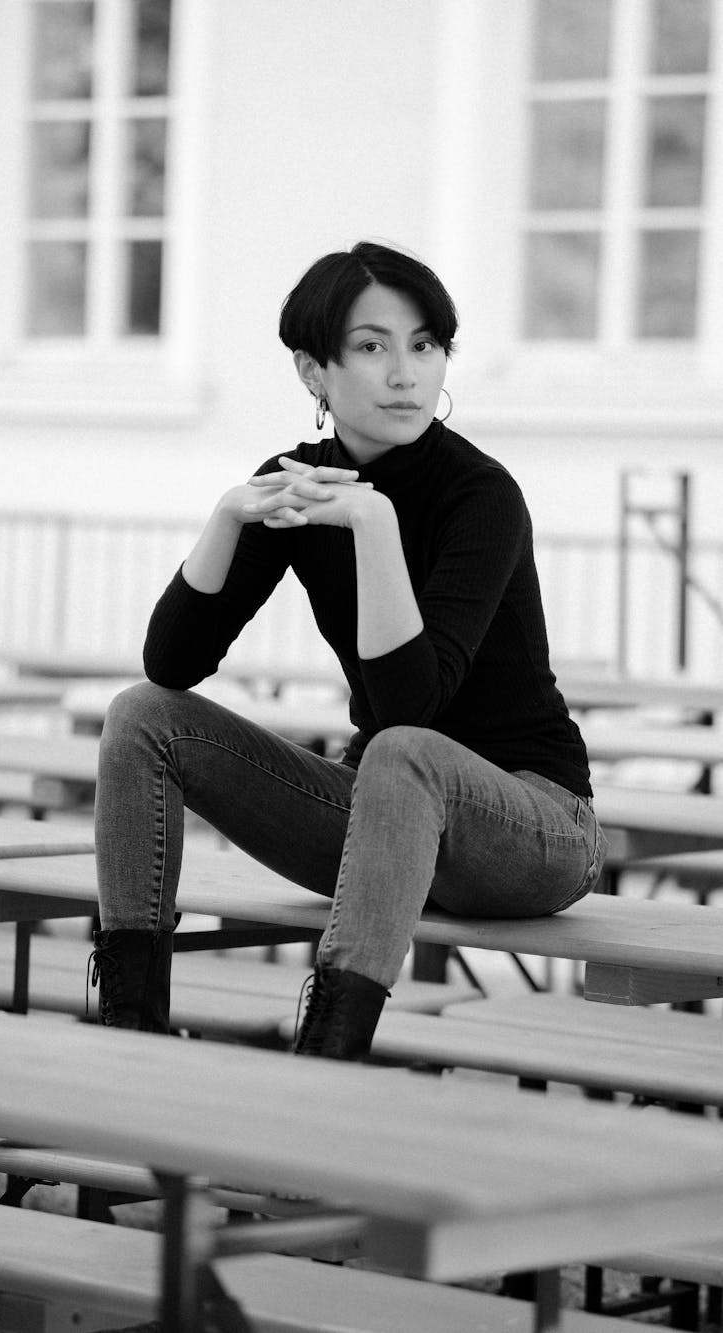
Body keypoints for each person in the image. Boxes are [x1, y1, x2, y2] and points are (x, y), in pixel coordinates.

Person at [90, 240, 607, 1060]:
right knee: (141, 716)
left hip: (536, 827)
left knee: (403, 750)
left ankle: (325, 1063)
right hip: (381, 820)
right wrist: (227, 517)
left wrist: (374, 524)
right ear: (312, 370)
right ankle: (128, 1040)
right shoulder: (295, 483)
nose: (406, 373)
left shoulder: (482, 495)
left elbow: (412, 707)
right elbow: (172, 665)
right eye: (372, 347)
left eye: (425, 345)